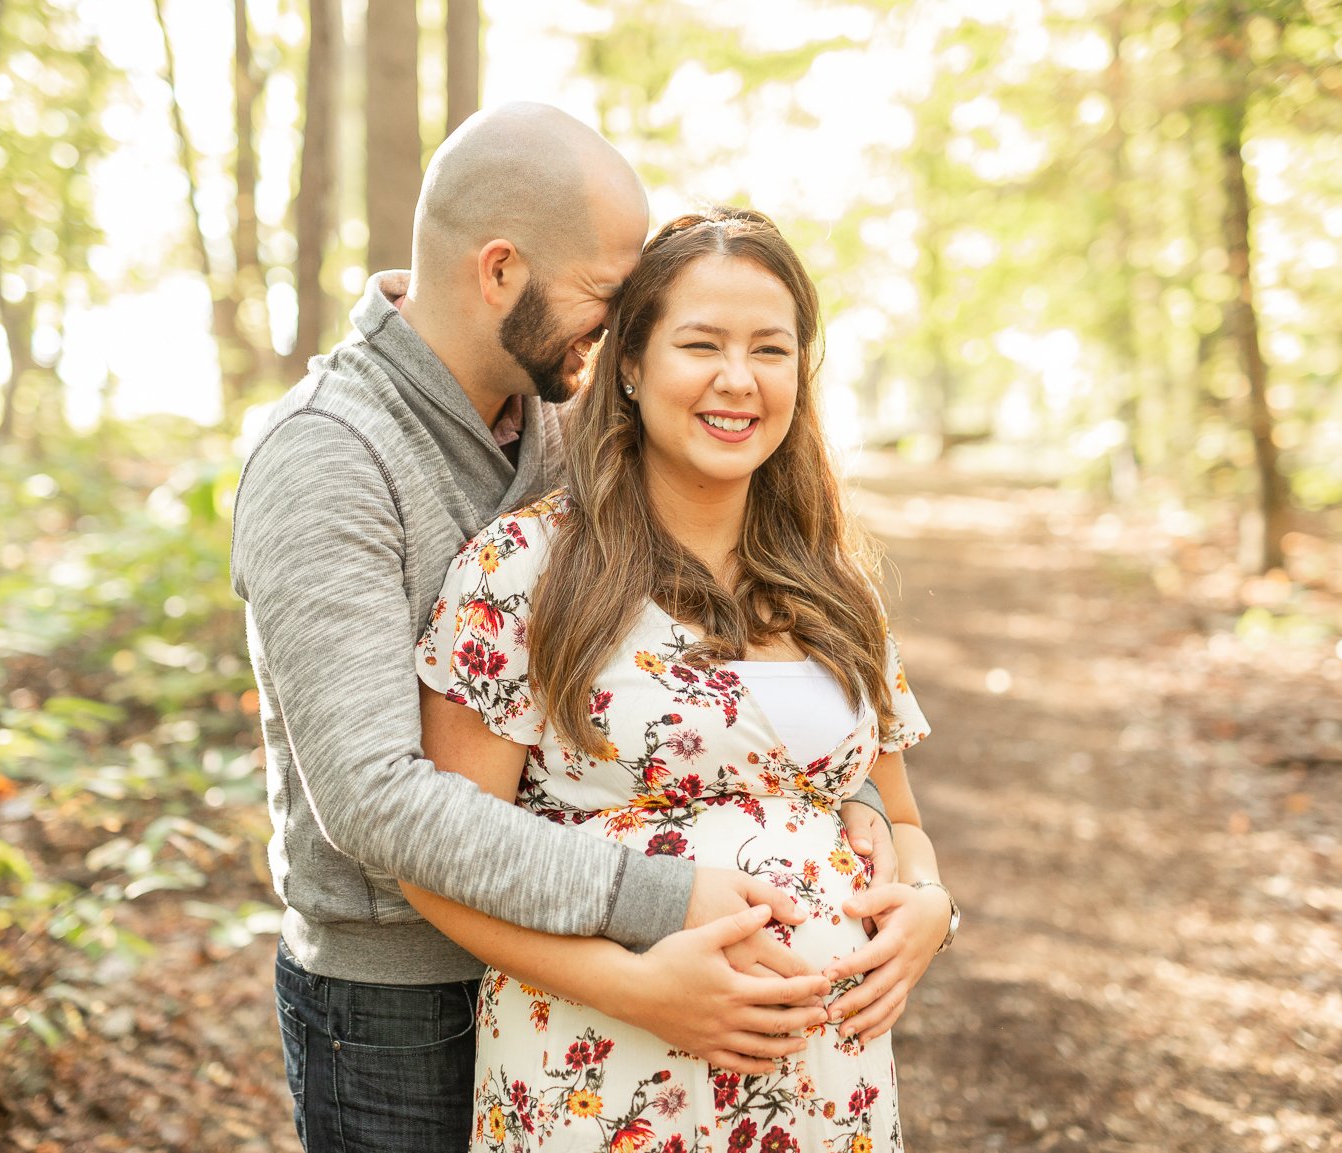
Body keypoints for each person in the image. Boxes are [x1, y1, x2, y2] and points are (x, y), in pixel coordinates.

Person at [229, 106, 900, 1152]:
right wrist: (657, 906)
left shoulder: (548, 420)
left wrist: (842, 798)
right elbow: (374, 799)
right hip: (395, 1000)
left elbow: (685, 651)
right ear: (500, 272)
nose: (613, 324)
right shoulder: (327, 457)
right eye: (603, 294)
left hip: (601, 977)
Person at [407, 207, 958, 1150]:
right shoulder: (526, 571)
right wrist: (642, 989)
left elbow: (897, 817)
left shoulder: (834, 583)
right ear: (630, 363)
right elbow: (443, 865)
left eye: (770, 349)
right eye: (700, 343)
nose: (737, 380)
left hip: (829, 1096)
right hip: (605, 1076)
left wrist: (931, 908)